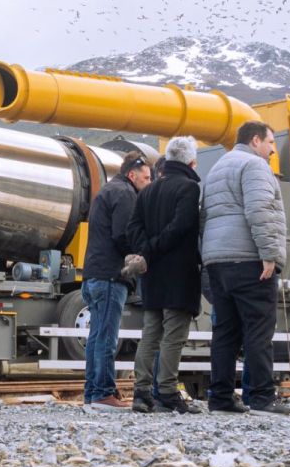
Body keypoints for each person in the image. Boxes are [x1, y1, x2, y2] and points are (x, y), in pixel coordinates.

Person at [200, 121, 290, 414]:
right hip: (248, 258)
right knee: (258, 329)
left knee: (225, 331)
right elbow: (260, 210)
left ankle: (220, 397)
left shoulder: (218, 167)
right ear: (256, 140)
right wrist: (269, 254)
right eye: (270, 143)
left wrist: (208, 257)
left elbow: (204, 217)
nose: (272, 150)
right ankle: (261, 397)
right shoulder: (254, 166)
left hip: (217, 260)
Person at [122, 138, 203, 414]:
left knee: (150, 333)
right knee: (173, 335)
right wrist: (154, 248)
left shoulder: (147, 191)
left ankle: (141, 392)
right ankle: (167, 391)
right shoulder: (189, 188)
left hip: (152, 274)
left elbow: (132, 227)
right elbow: (181, 227)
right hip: (179, 272)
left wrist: (146, 251)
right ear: (191, 162)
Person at [80, 151, 151, 410]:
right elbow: (124, 235)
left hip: (93, 274)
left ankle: (92, 393)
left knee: (96, 336)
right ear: (132, 174)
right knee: (107, 337)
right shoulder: (125, 194)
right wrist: (143, 254)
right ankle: (103, 393)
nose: (148, 183)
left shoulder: (108, 191)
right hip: (111, 275)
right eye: (146, 178)